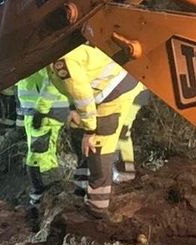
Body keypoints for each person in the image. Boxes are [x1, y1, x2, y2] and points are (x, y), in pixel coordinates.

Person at [47, 44, 144, 218]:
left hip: (115, 93)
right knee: (77, 130)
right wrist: (75, 111)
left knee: (99, 145)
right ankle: (83, 185)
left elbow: (82, 95)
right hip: (100, 93)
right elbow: (74, 88)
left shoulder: (64, 60)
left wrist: (90, 131)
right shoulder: (55, 55)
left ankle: (97, 208)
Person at [16, 65, 70, 230]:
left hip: (42, 107)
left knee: (40, 155)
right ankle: (40, 201)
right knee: (41, 155)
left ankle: (39, 202)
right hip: (40, 107)